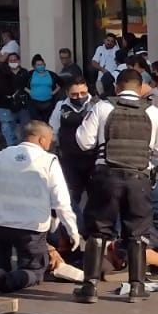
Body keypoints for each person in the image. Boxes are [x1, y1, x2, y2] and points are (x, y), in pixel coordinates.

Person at [74, 68, 158, 303]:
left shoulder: (102, 107)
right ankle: (137, 287)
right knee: (137, 232)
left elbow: (83, 142)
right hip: (139, 178)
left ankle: (90, 287)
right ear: (140, 89)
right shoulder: (153, 112)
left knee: (98, 230)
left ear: (117, 87)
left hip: (106, 176)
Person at [0, 121, 81, 296]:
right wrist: (72, 230)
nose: (50, 145)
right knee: (35, 271)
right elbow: (61, 201)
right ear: (42, 139)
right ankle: (4, 282)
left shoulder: (2, 155)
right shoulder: (48, 161)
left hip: (0, 224)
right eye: (50, 140)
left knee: (2, 263)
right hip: (31, 228)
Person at [50, 77, 97, 220]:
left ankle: (92, 229)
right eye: (75, 94)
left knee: (95, 196)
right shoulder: (60, 106)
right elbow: (53, 130)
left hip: (92, 159)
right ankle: (71, 227)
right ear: (67, 93)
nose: (79, 97)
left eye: (83, 93)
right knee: (71, 195)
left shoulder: (96, 105)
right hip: (69, 159)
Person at [0, 51, 30, 146]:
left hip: (22, 105)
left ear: (19, 61)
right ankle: (10, 148)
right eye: (11, 60)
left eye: (15, 60)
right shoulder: (3, 73)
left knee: (26, 129)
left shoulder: (25, 73)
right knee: (8, 129)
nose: (13, 62)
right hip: (5, 105)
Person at [27, 54, 59, 123]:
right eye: (38, 65)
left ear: (44, 64)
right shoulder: (30, 74)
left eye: (42, 64)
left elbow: (61, 84)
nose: (40, 66)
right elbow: (22, 85)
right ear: (34, 66)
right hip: (34, 103)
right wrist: (30, 92)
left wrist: (53, 92)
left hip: (48, 103)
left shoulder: (51, 74)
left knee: (47, 122)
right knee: (36, 123)